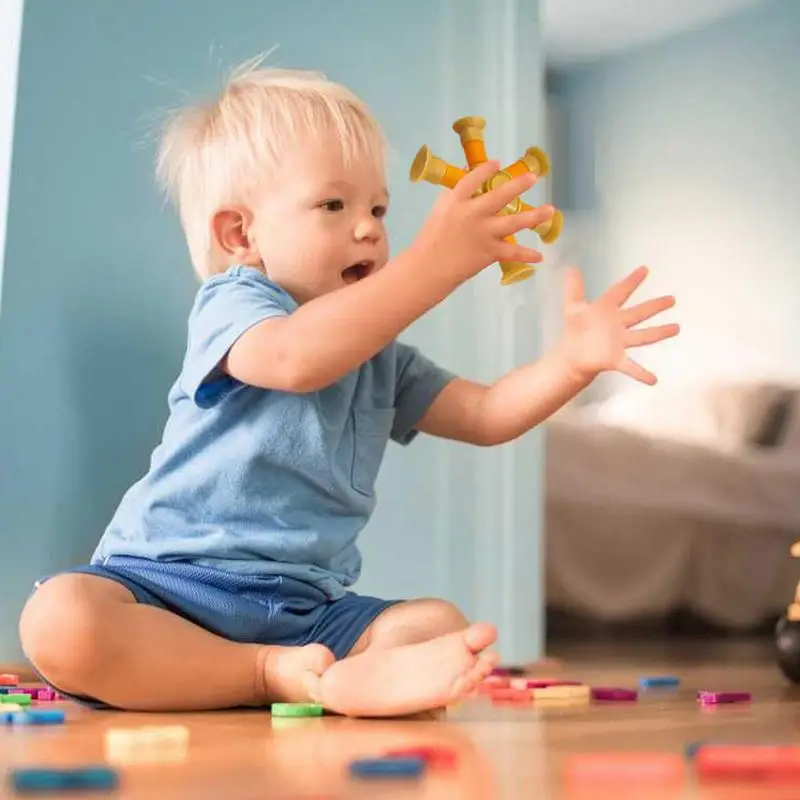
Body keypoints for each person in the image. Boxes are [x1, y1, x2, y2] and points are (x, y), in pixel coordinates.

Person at [19, 59, 679, 716]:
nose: (368, 227)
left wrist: (572, 361)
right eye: (334, 204)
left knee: (437, 626)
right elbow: (295, 358)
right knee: (60, 619)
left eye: (378, 208)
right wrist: (435, 264)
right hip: (165, 588)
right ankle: (265, 674)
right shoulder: (235, 304)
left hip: (307, 608)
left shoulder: (378, 357)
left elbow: (485, 414)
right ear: (240, 234)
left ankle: (307, 672)